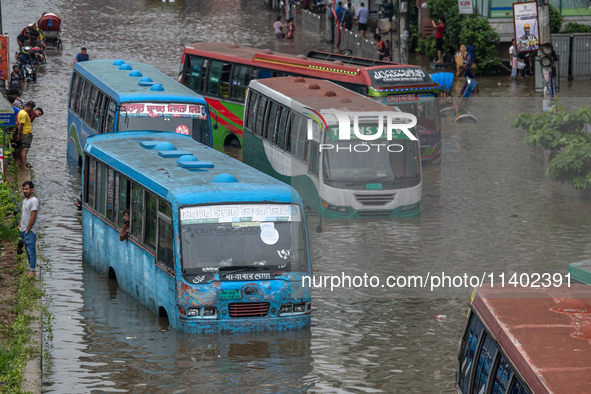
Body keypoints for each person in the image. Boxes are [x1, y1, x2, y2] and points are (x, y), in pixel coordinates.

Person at [18, 181, 39, 277]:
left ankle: (32, 271)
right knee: (27, 250)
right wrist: (20, 225)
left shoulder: (34, 201)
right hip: (23, 230)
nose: (24, 191)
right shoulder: (25, 201)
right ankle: (31, 269)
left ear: (32, 189)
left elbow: (33, 217)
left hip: (30, 231)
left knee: (31, 250)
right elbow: (24, 215)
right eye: (23, 189)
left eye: (26, 189)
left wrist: (27, 230)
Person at [17, 101, 36, 171]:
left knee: (23, 150)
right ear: (29, 107)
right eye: (32, 108)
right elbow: (20, 125)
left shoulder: (21, 112)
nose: (32, 110)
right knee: (24, 150)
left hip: (25, 134)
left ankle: (23, 164)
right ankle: (24, 166)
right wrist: (19, 134)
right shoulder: (24, 114)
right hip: (25, 134)